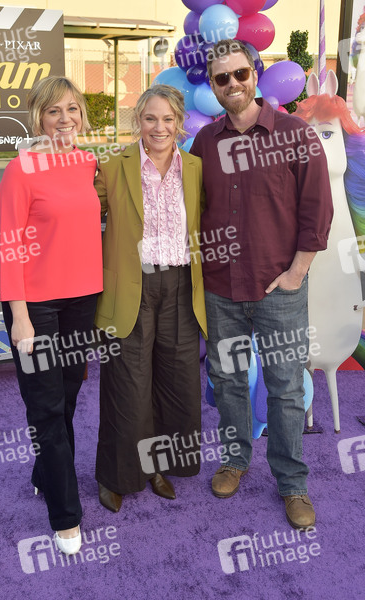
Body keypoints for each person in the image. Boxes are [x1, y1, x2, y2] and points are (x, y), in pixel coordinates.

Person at [190, 40, 333, 528]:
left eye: (240, 74)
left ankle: (292, 484)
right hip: (221, 289)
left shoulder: (295, 134)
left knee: (286, 388)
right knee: (228, 381)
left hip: (280, 289)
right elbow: (194, 208)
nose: (232, 84)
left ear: (255, 74)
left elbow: (318, 209)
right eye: (221, 78)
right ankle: (235, 460)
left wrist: (296, 273)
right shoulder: (205, 142)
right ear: (213, 86)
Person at [0, 76, 103, 554]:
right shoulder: (20, 169)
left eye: (72, 109)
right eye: (53, 110)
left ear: (82, 115)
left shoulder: (87, 163)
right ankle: (66, 515)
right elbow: (10, 245)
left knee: (68, 397)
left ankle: (45, 472)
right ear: (38, 117)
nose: (64, 119)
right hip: (34, 306)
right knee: (45, 406)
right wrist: (19, 316)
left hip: (82, 300)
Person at [94, 84, 207, 513]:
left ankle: (158, 466)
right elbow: (82, 214)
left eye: (167, 119)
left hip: (180, 286)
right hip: (130, 287)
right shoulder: (112, 165)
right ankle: (115, 475)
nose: (159, 127)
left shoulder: (195, 167)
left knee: (176, 383)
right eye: (150, 118)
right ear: (138, 121)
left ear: (180, 123)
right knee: (127, 384)